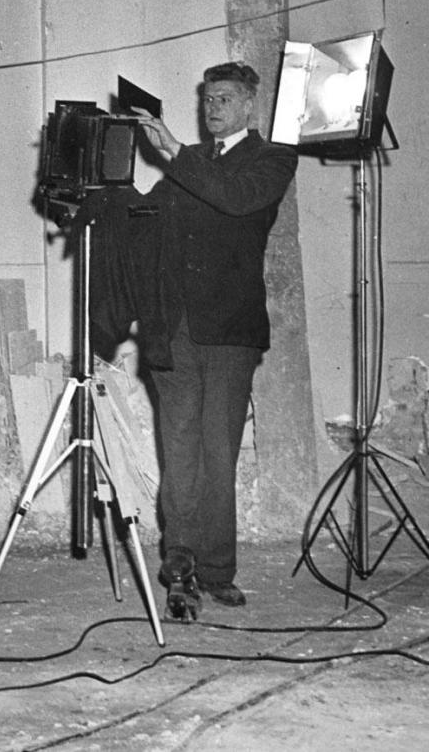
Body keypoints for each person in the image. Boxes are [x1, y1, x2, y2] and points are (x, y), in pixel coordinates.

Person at [131, 62, 297, 617]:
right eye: (207, 98)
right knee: (178, 449)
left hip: (229, 333)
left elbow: (234, 199)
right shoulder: (189, 161)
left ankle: (218, 570)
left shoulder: (273, 160)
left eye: (225, 98)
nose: (213, 107)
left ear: (250, 105)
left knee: (216, 452)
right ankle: (179, 566)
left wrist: (174, 153)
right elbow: (149, 220)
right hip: (175, 333)